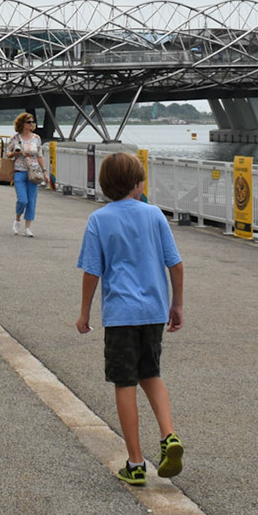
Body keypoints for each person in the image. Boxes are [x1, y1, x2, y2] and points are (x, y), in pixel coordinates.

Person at [75, 151, 185, 485]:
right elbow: (175, 265)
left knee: (125, 382)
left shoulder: (99, 219)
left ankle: (136, 463)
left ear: (106, 185)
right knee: (151, 373)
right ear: (138, 184)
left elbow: (92, 272)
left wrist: (84, 312)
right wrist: (176, 305)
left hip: (120, 315)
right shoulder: (155, 215)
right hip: (153, 312)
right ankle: (168, 435)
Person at [5, 112, 47, 238]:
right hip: (19, 171)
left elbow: (39, 156)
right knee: (22, 200)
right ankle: (17, 219)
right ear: (22, 124)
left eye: (33, 122)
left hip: (33, 172)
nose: (31, 124)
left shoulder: (36, 138)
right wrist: (15, 154)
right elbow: (7, 152)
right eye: (29, 122)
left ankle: (27, 228)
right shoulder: (16, 138)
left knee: (31, 201)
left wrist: (45, 171)